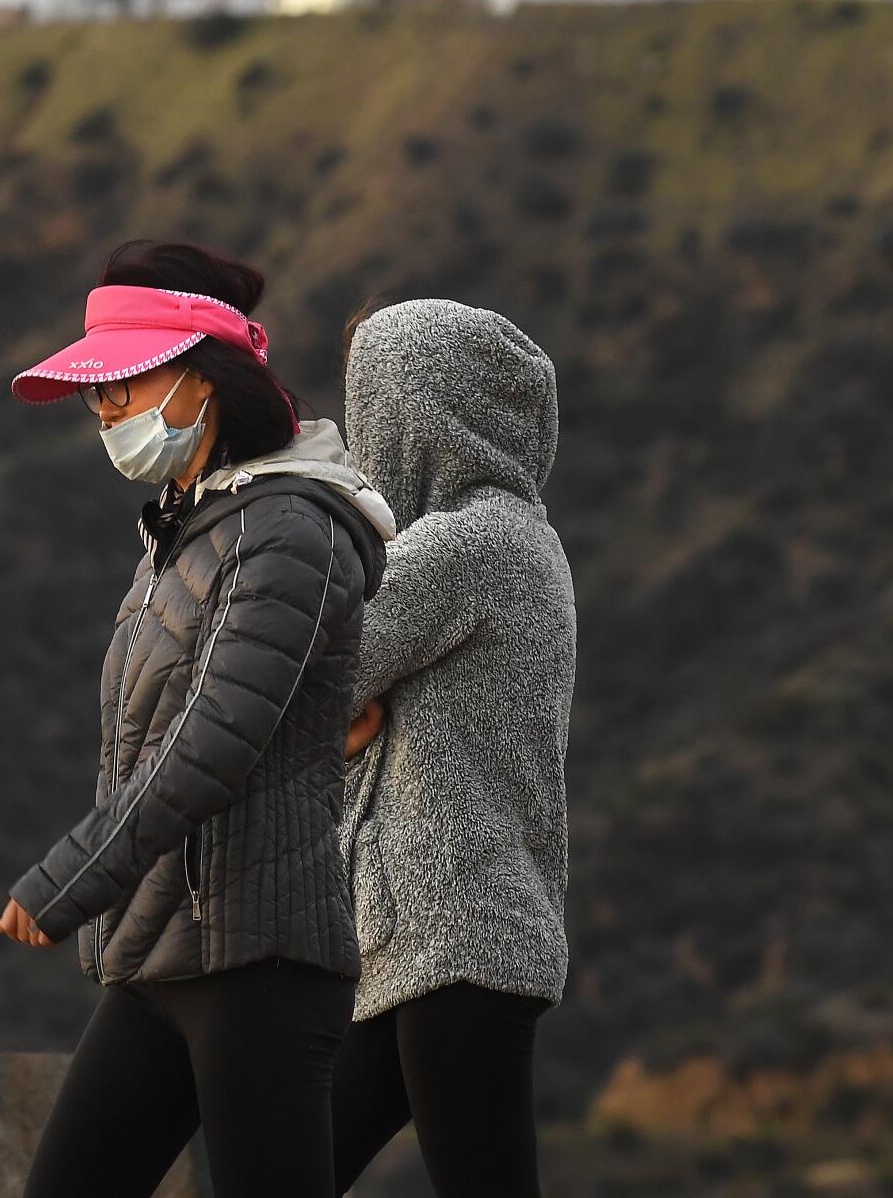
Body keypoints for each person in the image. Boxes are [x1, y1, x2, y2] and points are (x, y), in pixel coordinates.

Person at [0, 240, 397, 1198]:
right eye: (99, 396)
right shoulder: (189, 532)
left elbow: (208, 743)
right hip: (162, 955)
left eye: (126, 387)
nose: (106, 414)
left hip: (259, 962)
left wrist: (69, 880)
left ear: (203, 381)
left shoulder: (288, 529)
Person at [325, 298, 578, 1197]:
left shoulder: (462, 546)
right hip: (430, 943)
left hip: (453, 935)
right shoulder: (521, 538)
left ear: (415, 413)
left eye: (370, 411)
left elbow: (304, 668)